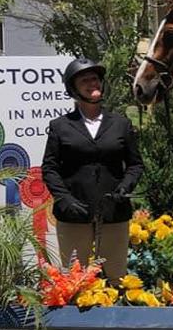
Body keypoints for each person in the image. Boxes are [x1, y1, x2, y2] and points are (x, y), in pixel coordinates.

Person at [42, 58, 144, 283]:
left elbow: (135, 164)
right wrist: (64, 198)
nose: (92, 84)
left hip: (113, 211)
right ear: (73, 89)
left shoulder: (121, 124)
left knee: (115, 276)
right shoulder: (60, 126)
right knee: (73, 278)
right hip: (74, 212)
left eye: (95, 79)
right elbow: (49, 168)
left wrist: (124, 187)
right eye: (85, 80)